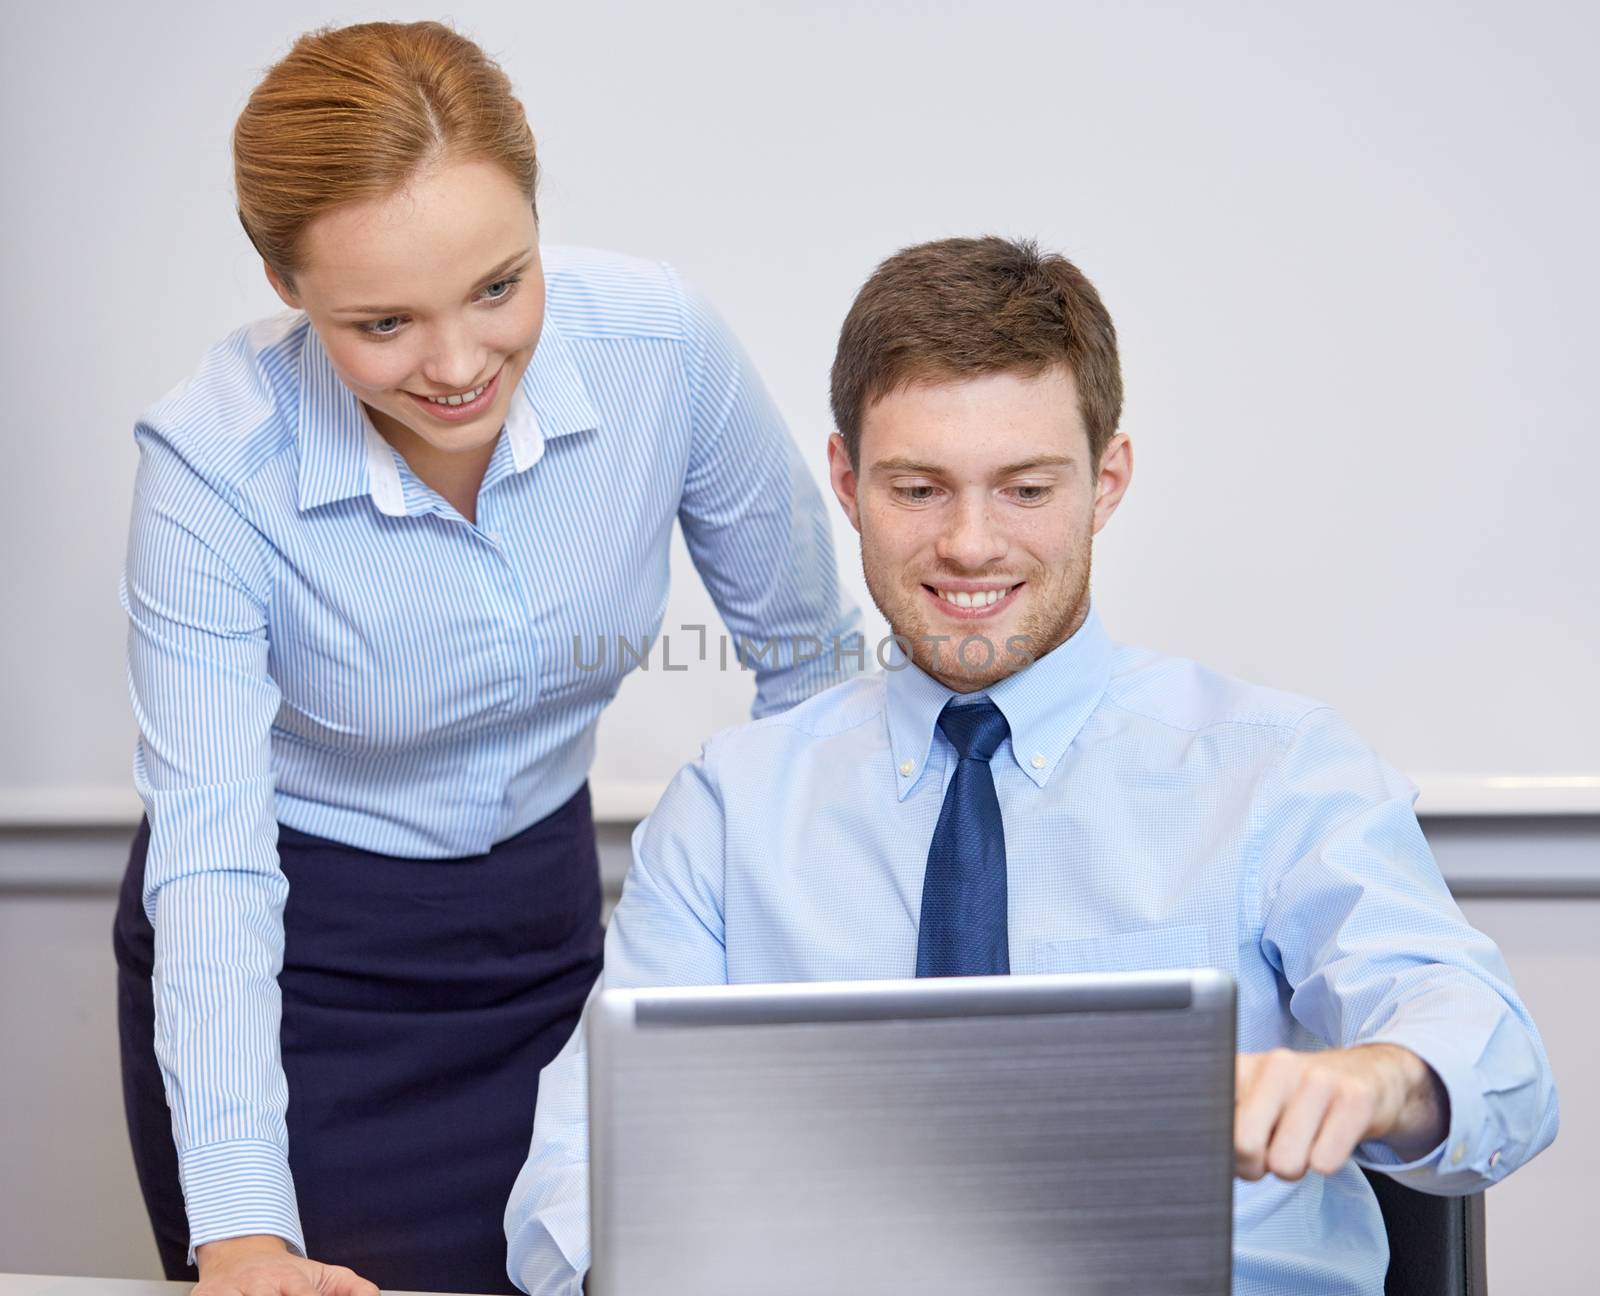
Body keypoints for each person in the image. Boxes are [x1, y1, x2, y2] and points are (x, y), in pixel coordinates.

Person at [505, 236, 1559, 1295]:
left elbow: (1492, 1058)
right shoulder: (731, 808)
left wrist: (1381, 1079)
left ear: (1106, 481)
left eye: (1023, 489)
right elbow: (578, 1163)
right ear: (846, 481)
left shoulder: (1276, 770)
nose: (969, 545)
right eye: (917, 490)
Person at [113, 20, 860, 1296]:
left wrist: (803, 994)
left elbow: (812, 671)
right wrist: (241, 1227)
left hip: (551, 942)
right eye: (384, 321)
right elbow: (215, 858)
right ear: (285, 287)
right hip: (300, 979)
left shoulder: (659, 350)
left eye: (501, 287)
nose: (458, 367)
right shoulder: (211, 469)